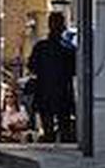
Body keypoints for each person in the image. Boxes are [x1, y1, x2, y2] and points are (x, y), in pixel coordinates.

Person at [28, 11, 76, 142]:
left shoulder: (41, 47)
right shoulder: (68, 49)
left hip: (46, 91)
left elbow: (32, 66)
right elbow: (74, 70)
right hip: (62, 92)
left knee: (49, 127)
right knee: (64, 128)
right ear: (63, 27)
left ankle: (52, 137)